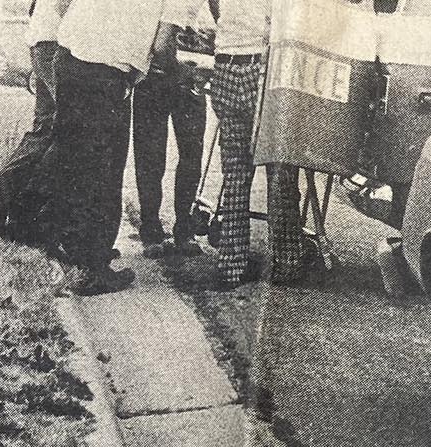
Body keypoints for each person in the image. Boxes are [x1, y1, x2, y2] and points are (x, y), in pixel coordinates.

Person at [44, 0, 197, 295]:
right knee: (106, 172)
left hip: (68, 57)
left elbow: (61, 4)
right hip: (106, 75)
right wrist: (184, 72)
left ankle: (68, 256)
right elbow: (163, 47)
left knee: (72, 163)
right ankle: (93, 271)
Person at [0, 0, 68, 244]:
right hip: (55, 44)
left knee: (45, 131)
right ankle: (11, 215)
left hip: (47, 40)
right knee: (63, 129)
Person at [130, 10, 210, 258]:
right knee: (151, 158)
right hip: (154, 77)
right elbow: (158, 45)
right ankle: (152, 230)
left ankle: (183, 229)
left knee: (190, 154)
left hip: (189, 79)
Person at [209, 0, 268, 288]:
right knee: (279, 170)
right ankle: (287, 259)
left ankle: (231, 264)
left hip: (224, 67)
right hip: (260, 71)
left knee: (235, 174)